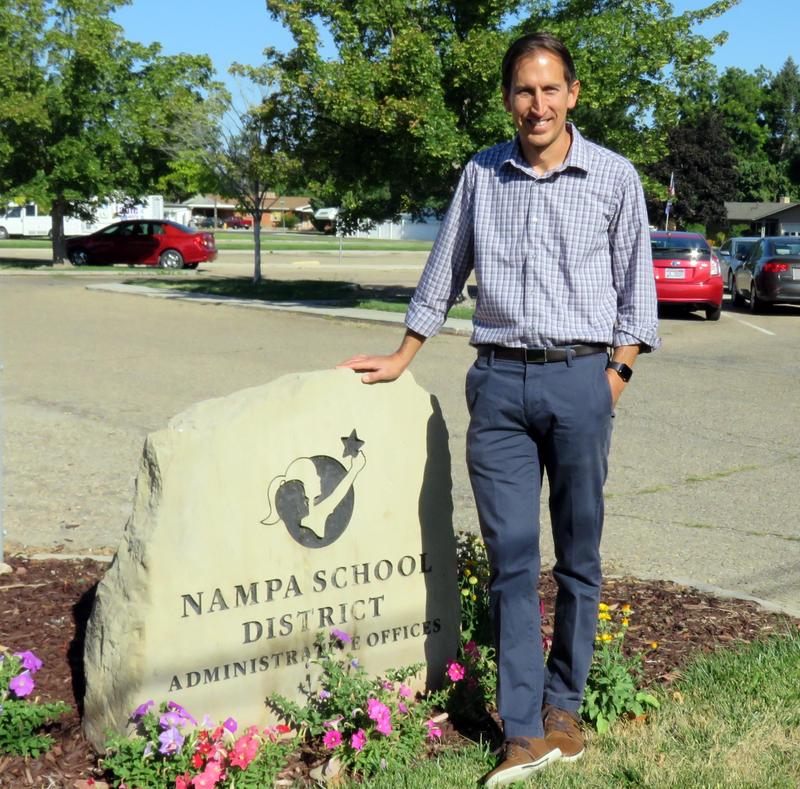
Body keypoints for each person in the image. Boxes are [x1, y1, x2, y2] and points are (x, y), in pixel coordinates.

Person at [340, 31, 659, 787]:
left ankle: (564, 707)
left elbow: (637, 300)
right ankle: (522, 729)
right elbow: (443, 270)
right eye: (524, 90)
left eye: (551, 89)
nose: (537, 104)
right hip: (500, 390)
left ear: (573, 95)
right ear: (508, 98)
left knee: (578, 556)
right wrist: (403, 355)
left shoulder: (614, 178)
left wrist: (609, 378)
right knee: (511, 558)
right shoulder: (483, 174)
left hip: (581, 380)